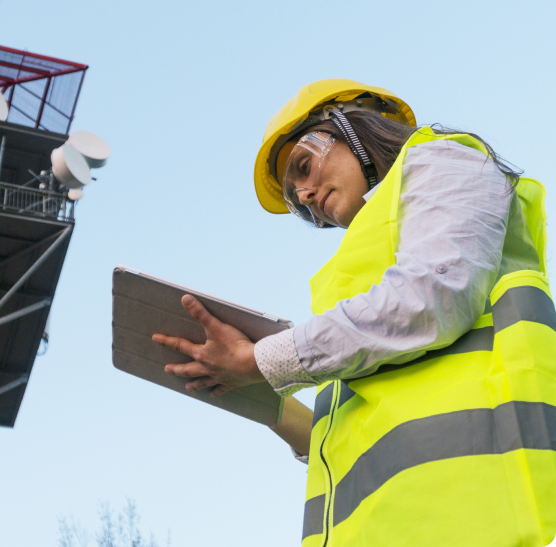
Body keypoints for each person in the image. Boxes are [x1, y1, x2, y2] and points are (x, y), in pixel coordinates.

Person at [152, 79, 556, 547]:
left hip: (492, 516)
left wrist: (262, 360)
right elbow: (348, 434)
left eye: (304, 166)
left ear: (350, 124)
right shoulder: (356, 304)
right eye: (292, 192)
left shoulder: (445, 159)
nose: (303, 195)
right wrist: (251, 393)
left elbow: (434, 296)